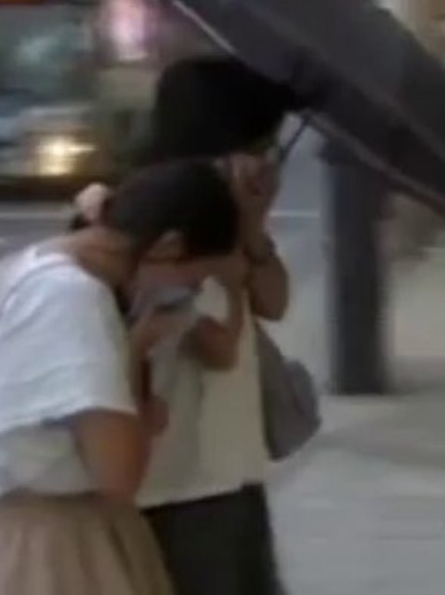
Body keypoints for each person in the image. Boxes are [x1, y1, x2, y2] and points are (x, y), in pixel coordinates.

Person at [0, 159, 242, 595]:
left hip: (37, 537)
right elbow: (119, 474)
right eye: (193, 280)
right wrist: (137, 353)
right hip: (59, 554)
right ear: (168, 246)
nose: (188, 294)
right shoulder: (72, 298)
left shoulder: (47, 265)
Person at [75, 56, 295, 595]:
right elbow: (212, 343)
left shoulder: (225, 209)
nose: (264, 157)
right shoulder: (135, 212)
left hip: (231, 464)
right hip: (172, 476)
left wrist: (251, 227)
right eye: (257, 142)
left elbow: (275, 300)